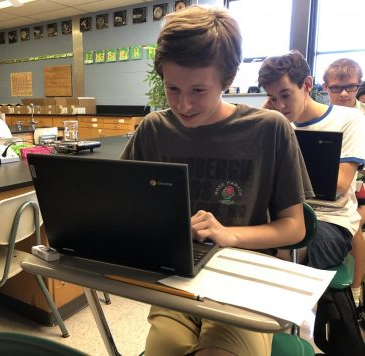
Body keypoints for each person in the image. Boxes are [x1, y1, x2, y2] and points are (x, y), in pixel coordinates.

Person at [121, 7, 313, 356]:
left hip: (244, 280)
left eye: (198, 90)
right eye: (172, 88)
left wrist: (231, 234)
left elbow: (295, 227)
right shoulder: (153, 129)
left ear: (227, 80)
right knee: (164, 349)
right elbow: (124, 204)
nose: (183, 104)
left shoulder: (269, 129)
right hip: (177, 282)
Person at [258, 50, 365, 273]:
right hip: (282, 214)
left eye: (286, 95)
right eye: (273, 98)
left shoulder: (349, 119)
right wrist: (261, 123)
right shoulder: (278, 123)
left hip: (329, 221)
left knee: (280, 255)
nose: (280, 105)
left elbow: (340, 185)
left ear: (307, 85)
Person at [322, 58, 365, 311]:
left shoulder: (358, 119)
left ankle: (355, 290)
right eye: (337, 88)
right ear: (326, 88)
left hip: (356, 188)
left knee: (355, 224)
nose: (344, 93)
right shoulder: (323, 117)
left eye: (350, 87)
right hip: (342, 189)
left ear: (358, 85)